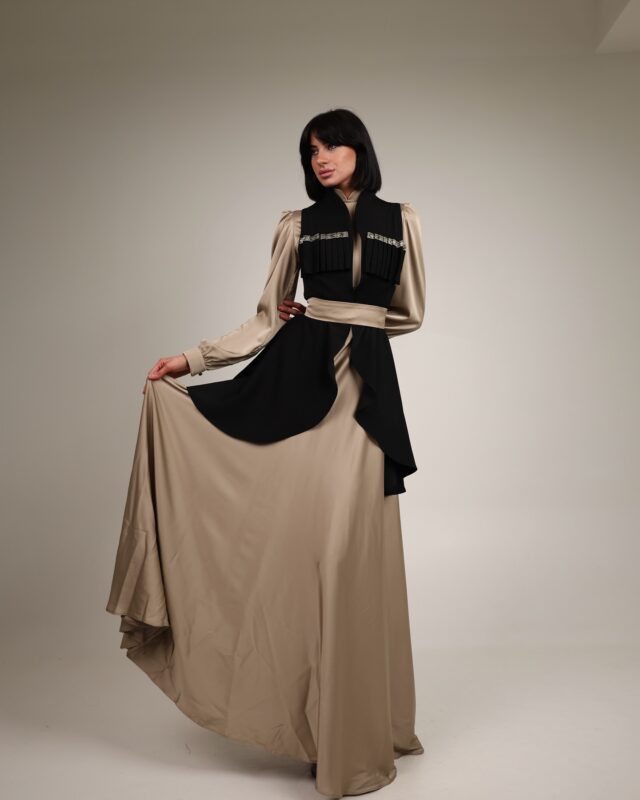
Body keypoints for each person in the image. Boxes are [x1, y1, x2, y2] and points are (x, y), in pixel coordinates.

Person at [106, 108, 426, 798]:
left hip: (366, 395)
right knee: (316, 552)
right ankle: (322, 731)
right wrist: (192, 360)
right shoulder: (295, 226)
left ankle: (357, 733)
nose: (322, 158)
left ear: (359, 150)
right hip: (300, 381)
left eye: (332, 146)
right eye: (311, 150)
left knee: (349, 554)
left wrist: (357, 323)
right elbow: (265, 315)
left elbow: (411, 312)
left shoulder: (403, 221)